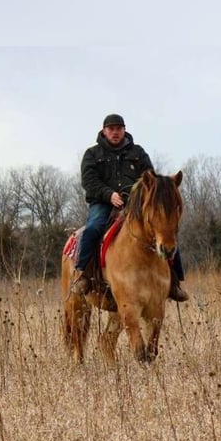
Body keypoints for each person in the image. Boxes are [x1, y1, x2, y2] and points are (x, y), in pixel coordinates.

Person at [72, 113, 188, 302]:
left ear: (124, 130)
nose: (115, 132)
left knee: (164, 231)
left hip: (135, 204)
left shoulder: (138, 153)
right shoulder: (92, 154)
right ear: (104, 131)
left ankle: (175, 282)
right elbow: (89, 181)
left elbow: (151, 180)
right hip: (103, 203)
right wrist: (109, 195)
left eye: (119, 129)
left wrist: (139, 196)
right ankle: (83, 275)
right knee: (93, 229)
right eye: (111, 129)